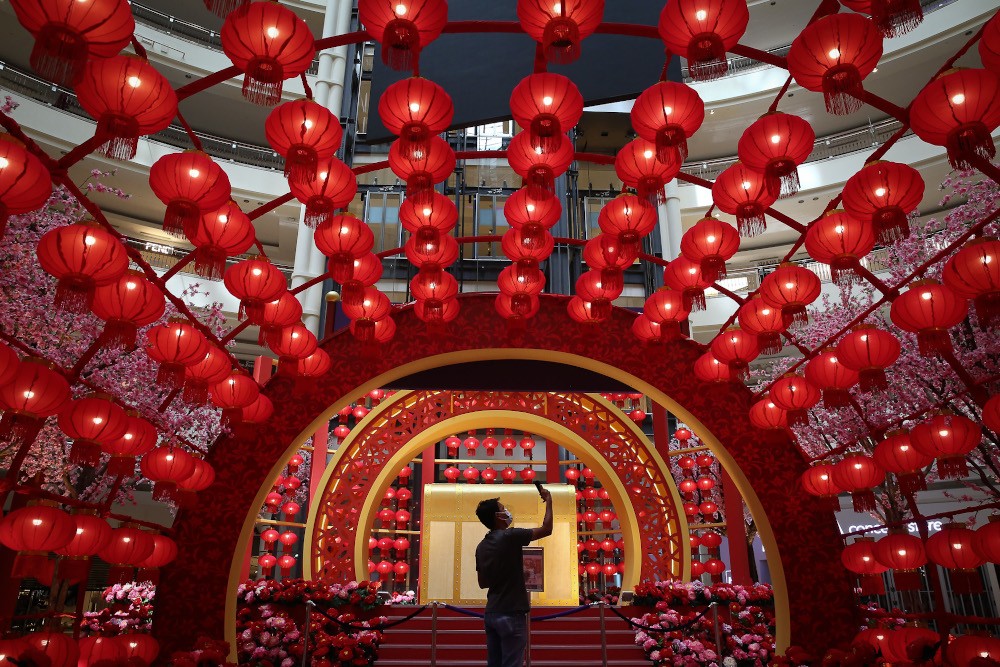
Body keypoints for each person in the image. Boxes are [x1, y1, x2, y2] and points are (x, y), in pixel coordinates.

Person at [474, 488, 553, 667]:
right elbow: (546, 529)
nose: (506, 512)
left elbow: (482, 583)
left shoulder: (481, 546)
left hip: (492, 612)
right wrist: (548, 500)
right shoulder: (510, 536)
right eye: (503, 509)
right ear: (498, 516)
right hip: (512, 611)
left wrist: (508, 573)